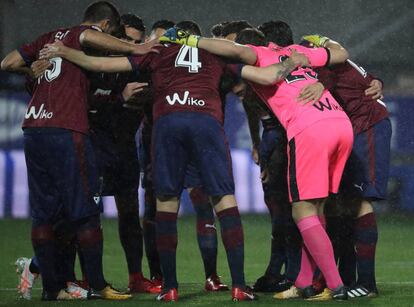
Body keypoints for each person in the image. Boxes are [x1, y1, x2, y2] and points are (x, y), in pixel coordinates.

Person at [38, 20, 305, 302]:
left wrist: (65, 52)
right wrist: (294, 62)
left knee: (166, 204)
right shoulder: (213, 52)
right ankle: (239, 285)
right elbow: (264, 75)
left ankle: (170, 287)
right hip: (206, 121)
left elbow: (102, 65)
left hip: (168, 122)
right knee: (224, 200)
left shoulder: (157, 51)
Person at [159, 23, 352, 301]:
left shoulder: (259, 54)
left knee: (301, 211)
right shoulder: (297, 50)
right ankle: (304, 281)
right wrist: (322, 40)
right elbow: (340, 53)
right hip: (339, 123)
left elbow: (230, 49)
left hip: (310, 127)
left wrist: (190, 39)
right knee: (317, 205)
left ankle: (336, 287)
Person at [1, 0, 156, 300]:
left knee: (45, 215)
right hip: (67, 130)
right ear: (107, 26)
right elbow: (88, 35)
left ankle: (52, 288)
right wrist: (139, 50)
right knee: (84, 212)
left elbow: (7, 63)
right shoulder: (80, 36)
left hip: (34, 128)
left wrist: (29, 67)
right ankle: (98, 284)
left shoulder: (49, 38)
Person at [301, 34, 391, 298]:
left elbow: (328, 76)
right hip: (354, 130)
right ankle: (347, 278)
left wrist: (318, 84)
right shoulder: (333, 55)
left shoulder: (321, 60)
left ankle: (367, 283)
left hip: (368, 125)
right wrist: (377, 80)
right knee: (342, 201)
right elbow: (365, 74)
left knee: (360, 200)